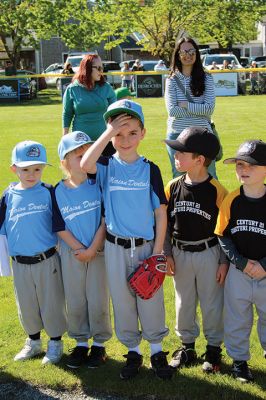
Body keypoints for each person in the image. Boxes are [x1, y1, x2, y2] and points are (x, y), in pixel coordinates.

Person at [80, 99, 173, 381]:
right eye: (119, 133)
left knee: (151, 300)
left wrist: (157, 254)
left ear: (143, 133)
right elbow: (85, 163)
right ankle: (133, 352)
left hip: (145, 248)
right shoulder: (106, 165)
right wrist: (108, 133)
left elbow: (160, 214)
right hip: (115, 247)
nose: (125, 139)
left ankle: (157, 351)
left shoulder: (150, 168)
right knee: (122, 301)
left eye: (132, 132)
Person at [163, 126, 229, 373]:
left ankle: (213, 350)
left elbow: (224, 231)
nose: (176, 156)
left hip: (209, 253)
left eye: (181, 153)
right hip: (180, 253)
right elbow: (165, 224)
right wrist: (167, 252)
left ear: (200, 160)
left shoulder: (217, 191)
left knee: (212, 302)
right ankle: (187, 346)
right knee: (183, 302)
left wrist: (223, 261)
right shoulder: (173, 186)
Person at [0, 141, 66, 364]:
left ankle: (55, 343)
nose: (31, 174)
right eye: (25, 169)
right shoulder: (8, 196)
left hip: (46, 259)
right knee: (26, 303)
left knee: (51, 302)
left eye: (37, 169)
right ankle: (34, 342)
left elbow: (60, 225)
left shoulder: (49, 191)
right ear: (14, 169)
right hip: (19, 262)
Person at [54, 131, 112, 368]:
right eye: (78, 155)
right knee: (76, 299)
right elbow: (58, 225)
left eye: (88, 153)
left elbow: (104, 220)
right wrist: (79, 249)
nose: (85, 158)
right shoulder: (56, 190)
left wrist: (92, 248)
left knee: (98, 299)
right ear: (64, 162)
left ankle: (99, 345)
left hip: (98, 251)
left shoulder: (97, 184)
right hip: (71, 253)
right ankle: (80, 342)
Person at [215, 139, 266, 383]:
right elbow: (222, 235)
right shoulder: (232, 199)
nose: (243, 169)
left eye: (251, 165)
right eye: (239, 164)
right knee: (237, 317)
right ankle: (239, 361)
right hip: (239, 270)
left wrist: (263, 266)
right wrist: (242, 263)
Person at [165, 37, 216, 179]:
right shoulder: (171, 79)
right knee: (179, 178)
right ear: (178, 55)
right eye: (184, 52)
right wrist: (198, 109)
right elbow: (172, 111)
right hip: (177, 135)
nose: (188, 55)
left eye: (191, 51)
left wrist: (186, 105)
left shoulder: (207, 78)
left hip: (203, 136)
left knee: (209, 177)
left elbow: (209, 109)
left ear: (197, 53)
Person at [62, 54, 116, 157]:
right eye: (98, 68)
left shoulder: (106, 88)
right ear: (87, 68)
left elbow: (115, 112)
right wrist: (65, 137)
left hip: (105, 143)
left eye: (102, 68)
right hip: (81, 144)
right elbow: (67, 114)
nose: (101, 71)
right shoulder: (72, 89)